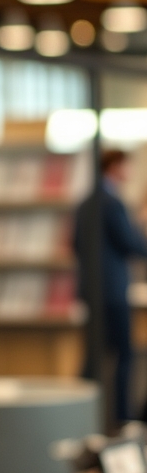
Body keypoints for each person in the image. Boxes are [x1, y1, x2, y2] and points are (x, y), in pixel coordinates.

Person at [74, 147, 147, 423]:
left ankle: (82, 414)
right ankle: (123, 418)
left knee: (94, 354)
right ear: (115, 167)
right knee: (124, 354)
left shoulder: (85, 202)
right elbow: (129, 242)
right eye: (127, 166)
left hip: (92, 289)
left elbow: (76, 245)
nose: (130, 172)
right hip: (114, 291)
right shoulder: (113, 203)